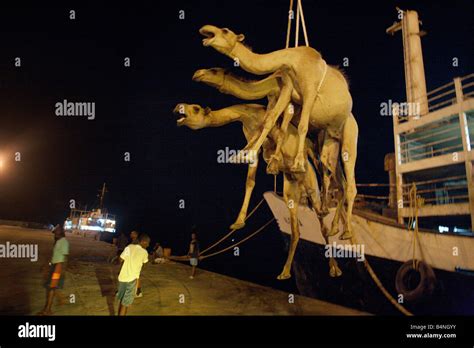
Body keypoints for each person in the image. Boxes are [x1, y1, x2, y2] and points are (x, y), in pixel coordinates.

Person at [38, 224, 70, 315]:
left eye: (56, 233)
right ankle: (61, 300)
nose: (55, 234)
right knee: (53, 287)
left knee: (51, 287)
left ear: (61, 233)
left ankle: (47, 310)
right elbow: (55, 256)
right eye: (54, 233)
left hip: (58, 267)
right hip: (55, 266)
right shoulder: (58, 241)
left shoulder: (64, 242)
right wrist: (48, 265)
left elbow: (65, 257)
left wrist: (61, 270)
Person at [116, 233, 150, 316]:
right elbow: (145, 263)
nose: (148, 245)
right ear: (143, 242)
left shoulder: (129, 247)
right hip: (131, 280)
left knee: (122, 301)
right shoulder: (144, 252)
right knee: (125, 304)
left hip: (122, 278)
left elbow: (120, 260)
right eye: (148, 243)